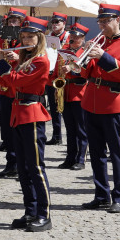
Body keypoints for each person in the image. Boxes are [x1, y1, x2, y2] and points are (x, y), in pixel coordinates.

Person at [0, 16, 54, 231]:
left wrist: (1, 62)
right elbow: (6, 82)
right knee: (23, 169)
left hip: (32, 114)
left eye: (30, 36)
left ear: (39, 38)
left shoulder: (41, 61)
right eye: (23, 36)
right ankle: (30, 211)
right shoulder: (24, 60)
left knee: (35, 167)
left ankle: (44, 214)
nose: (26, 40)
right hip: (18, 112)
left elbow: (17, 80)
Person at [75, 4, 120, 214]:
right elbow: (87, 74)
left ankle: (119, 196)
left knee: (117, 153)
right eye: (100, 22)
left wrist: (102, 55)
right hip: (91, 101)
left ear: (117, 20)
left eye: (106, 21)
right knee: (95, 153)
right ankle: (101, 194)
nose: (102, 25)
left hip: (113, 102)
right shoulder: (97, 41)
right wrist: (81, 61)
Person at [0, 8, 26, 177]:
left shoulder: (26, 41)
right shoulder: (0, 40)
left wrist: (18, 58)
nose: (12, 24)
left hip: (16, 89)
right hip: (1, 87)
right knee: (5, 128)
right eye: (10, 21)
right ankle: (11, 163)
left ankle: (21, 164)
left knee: (17, 130)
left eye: (16, 21)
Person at [56, 22, 89, 170]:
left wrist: (72, 67)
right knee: (70, 129)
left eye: (77, 37)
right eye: (72, 36)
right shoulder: (64, 51)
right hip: (66, 92)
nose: (73, 39)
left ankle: (81, 159)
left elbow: (86, 72)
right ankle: (70, 158)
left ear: (83, 38)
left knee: (81, 129)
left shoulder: (85, 52)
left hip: (80, 93)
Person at [44, 12, 69, 146]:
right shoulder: (48, 37)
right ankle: (57, 135)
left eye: (57, 22)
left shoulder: (70, 37)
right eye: (53, 22)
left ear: (64, 23)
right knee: (54, 108)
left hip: (65, 76)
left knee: (66, 108)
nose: (54, 25)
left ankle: (71, 135)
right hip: (51, 76)